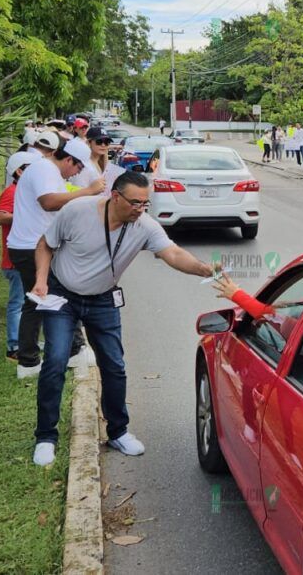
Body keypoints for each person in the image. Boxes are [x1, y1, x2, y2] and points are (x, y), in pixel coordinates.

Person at [29, 172, 216, 466]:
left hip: (103, 298)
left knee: (115, 366)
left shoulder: (143, 225)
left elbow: (173, 254)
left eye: (145, 203)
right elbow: (45, 244)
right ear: (115, 197)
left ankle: (118, 431)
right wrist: (41, 280)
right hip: (62, 295)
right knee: (54, 362)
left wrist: (203, 269)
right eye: (134, 203)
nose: (140, 209)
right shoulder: (78, 211)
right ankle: (45, 437)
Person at [8, 136, 103, 379]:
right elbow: (49, 203)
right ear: (68, 159)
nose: (75, 174)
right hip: (32, 248)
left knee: (44, 300)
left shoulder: (49, 171)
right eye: (78, 168)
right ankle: (38, 359)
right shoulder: (44, 169)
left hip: (35, 245)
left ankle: (45, 357)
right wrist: (88, 191)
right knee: (48, 299)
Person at [0, 161, 32, 361]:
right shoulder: (12, 191)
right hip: (14, 260)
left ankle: (25, 342)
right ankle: (14, 347)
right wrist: (24, 214)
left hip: (27, 258)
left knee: (29, 303)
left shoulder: (26, 193)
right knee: (17, 303)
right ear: (19, 171)